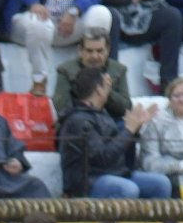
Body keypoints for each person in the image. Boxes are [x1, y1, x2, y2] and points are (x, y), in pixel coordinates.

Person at [58, 64, 166, 197]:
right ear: (99, 90)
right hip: (89, 181)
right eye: (107, 85)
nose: (110, 89)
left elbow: (119, 147)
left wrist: (136, 126)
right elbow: (103, 157)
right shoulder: (78, 121)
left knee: (161, 184)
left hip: (115, 174)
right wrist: (129, 129)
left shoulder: (101, 113)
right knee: (128, 189)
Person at [6, 0, 115, 96]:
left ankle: (92, 76)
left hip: (67, 25)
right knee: (39, 24)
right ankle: (39, 81)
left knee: (101, 14)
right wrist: (33, 2)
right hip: (28, 18)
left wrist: (74, 11)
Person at [104, 0, 183, 90]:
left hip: (146, 14)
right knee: (108, 16)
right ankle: (112, 81)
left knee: (172, 16)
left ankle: (169, 82)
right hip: (117, 19)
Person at [52, 29, 132, 117]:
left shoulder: (118, 70)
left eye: (100, 51)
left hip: (111, 122)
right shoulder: (66, 70)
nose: (94, 56)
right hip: (78, 123)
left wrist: (107, 92)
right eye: (89, 51)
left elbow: (126, 108)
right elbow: (61, 107)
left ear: (108, 50)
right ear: (81, 51)